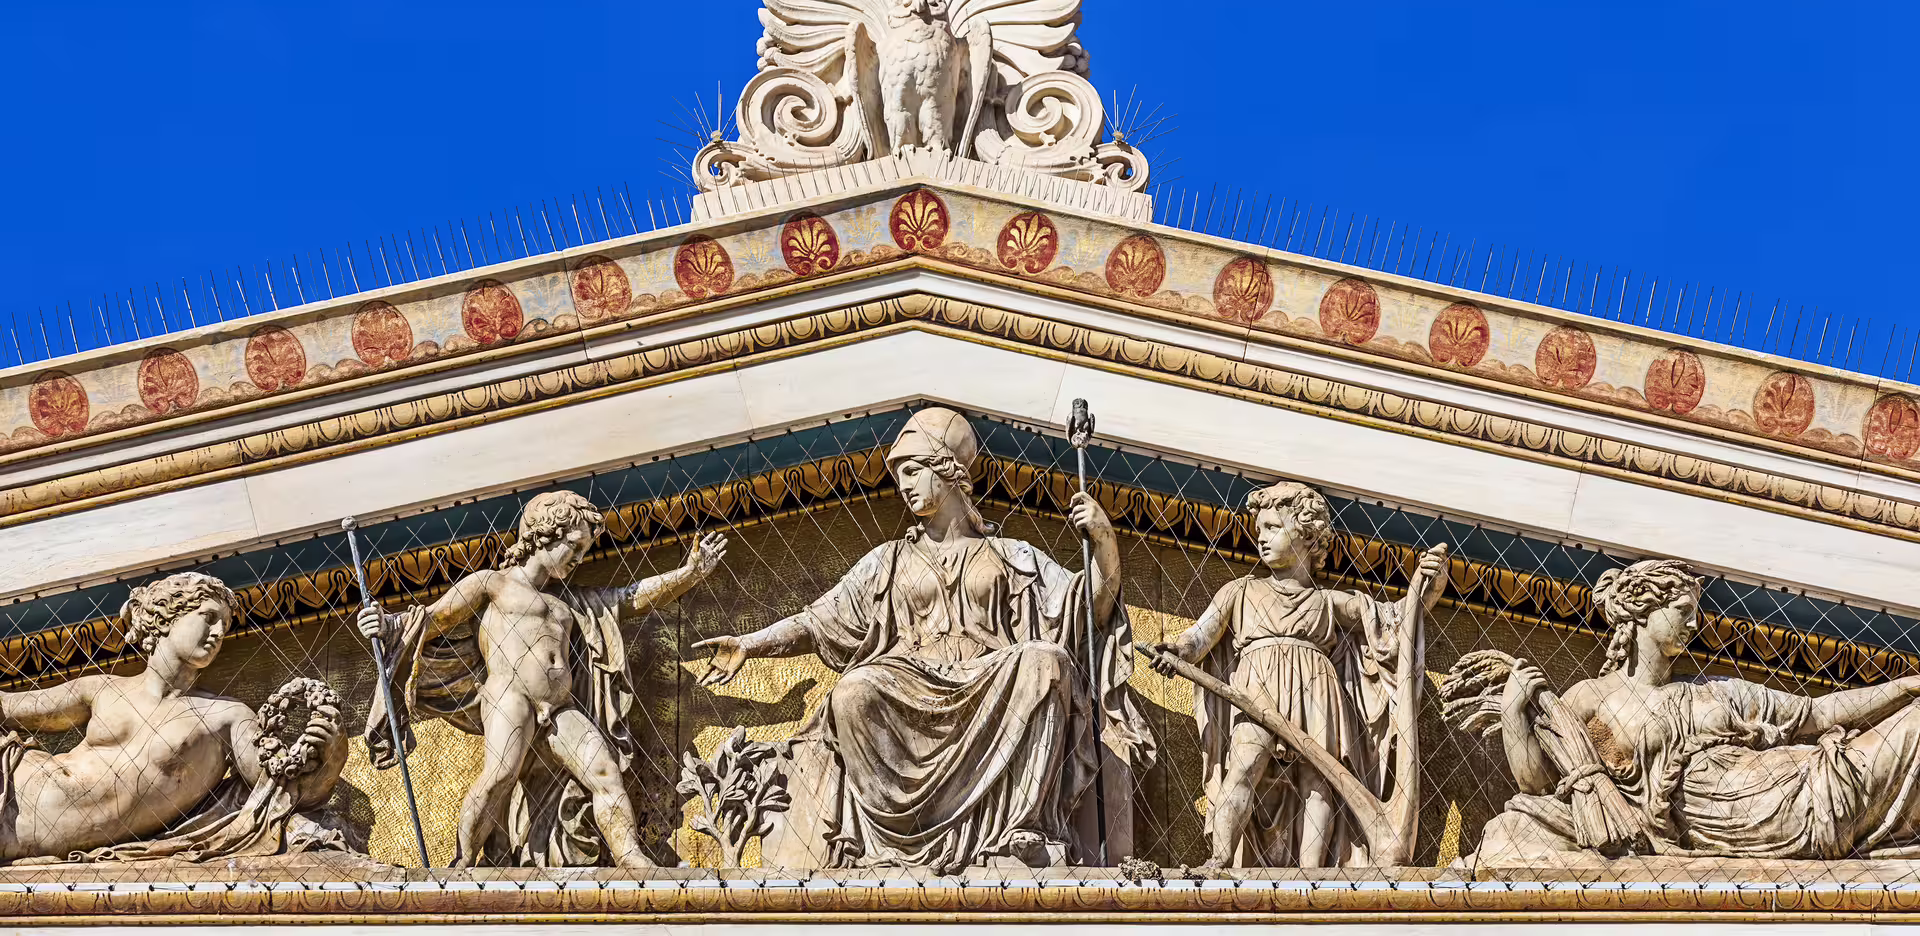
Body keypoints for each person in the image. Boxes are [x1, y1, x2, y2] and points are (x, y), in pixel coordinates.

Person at [694, 407, 1153, 873]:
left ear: (948, 470)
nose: (903, 486)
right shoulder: (888, 561)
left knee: (1046, 661)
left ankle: (1020, 826)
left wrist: (1103, 538)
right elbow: (817, 621)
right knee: (852, 691)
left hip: (991, 685)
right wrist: (750, 644)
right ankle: (895, 840)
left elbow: (1090, 610)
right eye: (899, 476)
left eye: (913, 471)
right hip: (908, 683)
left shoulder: (1012, 556)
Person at [359, 491, 726, 866]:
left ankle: (631, 857)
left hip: (560, 708)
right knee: (500, 775)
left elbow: (630, 598)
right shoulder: (492, 584)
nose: (579, 557)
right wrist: (386, 624)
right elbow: (434, 618)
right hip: (509, 697)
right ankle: (463, 863)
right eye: (575, 545)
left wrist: (689, 573)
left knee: (605, 771)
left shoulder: (569, 602)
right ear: (545, 534)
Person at [1477, 558, 1920, 862]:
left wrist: (1903, 686)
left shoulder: (1717, 691)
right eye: (1683, 610)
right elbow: (1539, 788)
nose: (1695, 624)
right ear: (1642, 610)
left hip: (1801, 778)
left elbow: (1816, 713)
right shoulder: (1589, 698)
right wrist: (1514, 714)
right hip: (1765, 823)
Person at [1149, 482, 1446, 868]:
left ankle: (1311, 872)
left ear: (1308, 536)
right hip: (1256, 691)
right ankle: (1219, 859)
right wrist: (1176, 650)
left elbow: (1393, 620)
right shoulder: (1240, 591)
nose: (1261, 538)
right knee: (1244, 766)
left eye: (1272, 528)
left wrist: (1428, 585)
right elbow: (1200, 635)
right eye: (1259, 530)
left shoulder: (1327, 601)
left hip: (1315, 688)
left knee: (1318, 779)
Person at [0, 571, 347, 864]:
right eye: (208, 618)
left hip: (44, 835)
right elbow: (7, 706)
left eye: (225, 625)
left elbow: (286, 792)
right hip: (15, 783)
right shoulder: (101, 688)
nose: (219, 633)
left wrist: (331, 754)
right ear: (166, 617)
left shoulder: (227, 717)